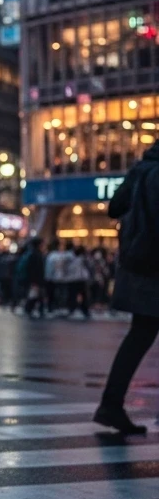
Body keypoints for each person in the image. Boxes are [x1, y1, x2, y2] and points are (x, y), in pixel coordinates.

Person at [95, 142, 159, 434]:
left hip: (136, 266)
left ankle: (111, 404)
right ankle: (110, 405)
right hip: (155, 266)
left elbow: (114, 208)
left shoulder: (140, 170)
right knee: (140, 335)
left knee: (139, 336)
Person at [18, 237, 46, 316]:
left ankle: (32, 309)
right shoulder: (36, 254)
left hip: (35, 280)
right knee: (35, 295)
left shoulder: (32, 253)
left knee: (36, 295)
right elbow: (34, 269)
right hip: (36, 280)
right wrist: (35, 281)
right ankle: (31, 309)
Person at [67, 246, 92, 319]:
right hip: (81, 279)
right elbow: (88, 268)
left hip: (72, 279)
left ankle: (72, 309)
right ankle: (84, 310)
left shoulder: (70, 258)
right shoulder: (84, 259)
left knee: (73, 295)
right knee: (83, 295)